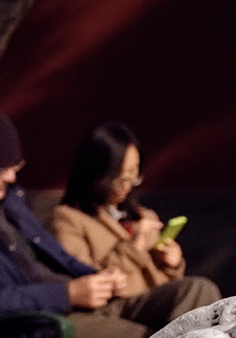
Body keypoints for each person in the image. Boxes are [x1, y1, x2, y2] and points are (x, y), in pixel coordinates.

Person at [0, 107, 214, 338]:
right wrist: (66, 294)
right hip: (37, 333)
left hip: (83, 309)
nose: (11, 178)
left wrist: (95, 277)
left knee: (198, 291)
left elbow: (58, 257)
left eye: (14, 167)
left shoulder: (9, 200)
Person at [50, 121, 220, 307]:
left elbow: (167, 282)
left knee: (201, 293)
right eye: (117, 178)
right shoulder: (69, 219)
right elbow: (86, 280)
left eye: (133, 176)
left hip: (155, 301)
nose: (126, 186)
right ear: (94, 171)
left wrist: (172, 263)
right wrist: (133, 247)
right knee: (198, 289)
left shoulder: (144, 216)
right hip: (117, 307)